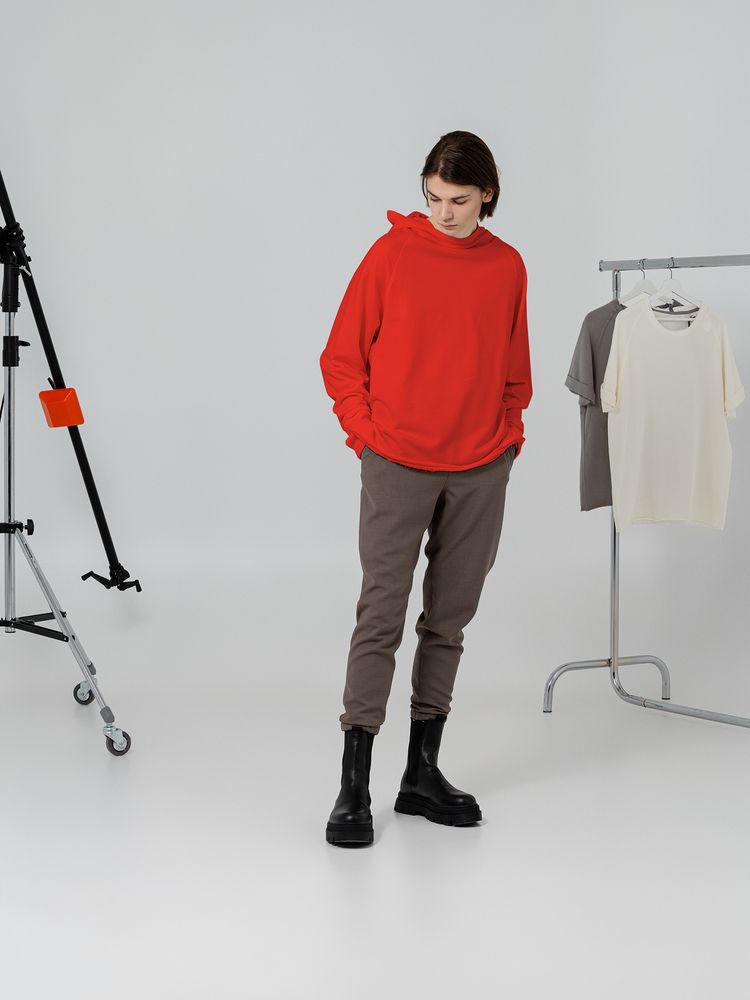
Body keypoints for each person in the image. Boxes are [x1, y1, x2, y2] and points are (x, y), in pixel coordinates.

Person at [319, 130, 532, 847]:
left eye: (459, 200)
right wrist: (367, 435)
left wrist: (508, 437)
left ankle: (420, 773)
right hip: (397, 461)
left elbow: (515, 368)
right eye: (434, 197)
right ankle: (354, 784)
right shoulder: (392, 254)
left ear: (487, 195)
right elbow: (341, 357)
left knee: (449, 621)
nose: (444, 212)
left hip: (480, 466)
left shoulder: (506, 266)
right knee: (380, 613)